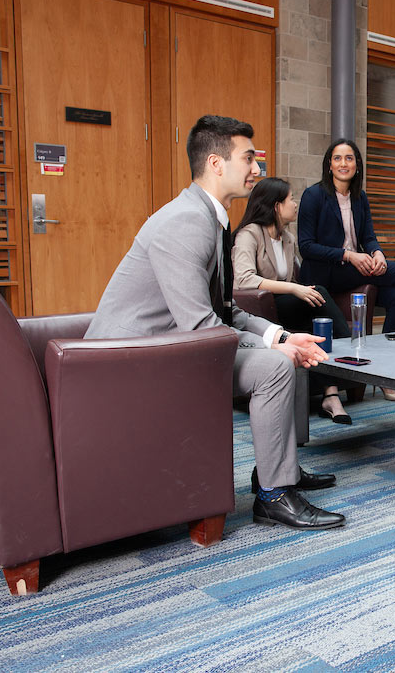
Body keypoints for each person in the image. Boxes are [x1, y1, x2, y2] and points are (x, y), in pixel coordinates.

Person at [86, 115, 345, 532]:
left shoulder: (210, 218)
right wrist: (272, 349)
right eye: (249, 159)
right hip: (126, 365)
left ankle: (280, 474)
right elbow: (201, 327)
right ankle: (273, 494)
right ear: (216, 163)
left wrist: (279, 334)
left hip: (166, 347)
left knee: (285, 355)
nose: (257, 170)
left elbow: (223, 310)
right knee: (275, 367)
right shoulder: (185, 222)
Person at [297, 138, 395, 402]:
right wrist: (348, 255)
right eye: (337, 158)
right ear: (329, 165)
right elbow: (306, 246)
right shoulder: (314, 195)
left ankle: (386, 373)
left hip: (355, 269)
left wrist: (377, 253)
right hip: (326, 273)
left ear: (357, 165)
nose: (344, 163)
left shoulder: (359, 197)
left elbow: (369, 236)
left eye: (349, 158)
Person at [232, 176, 353, 424]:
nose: (295, 204)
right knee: (316, 296)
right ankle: (351, 347)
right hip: (261, 309)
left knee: (317, 321)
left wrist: (300, 289)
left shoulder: (288, 238)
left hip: (285, 305)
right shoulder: (249, 234)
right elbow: (243, 280)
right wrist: (294, 289)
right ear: (276, 206)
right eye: (291, 199)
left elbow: (294, 278)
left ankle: (330, 393)